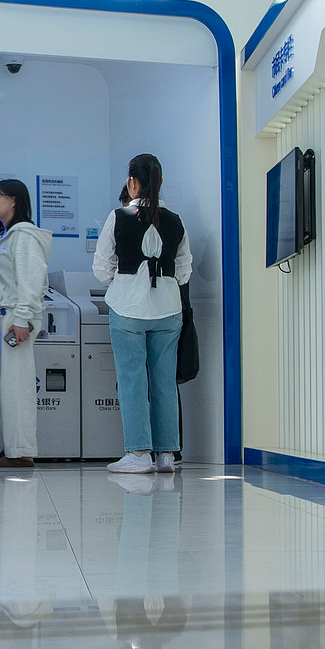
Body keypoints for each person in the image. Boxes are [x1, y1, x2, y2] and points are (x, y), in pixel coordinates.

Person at [93, 154, 192, 474]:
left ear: (132, 183)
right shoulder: (176, 219)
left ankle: (138, 453)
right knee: (164, 381)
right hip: (168, 310)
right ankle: (166, 455)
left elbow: (100, 269)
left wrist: (125, 280)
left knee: (132, 380)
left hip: (128, 309)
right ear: (160, 182)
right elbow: (184, 272)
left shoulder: (118, 216)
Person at [0, 179, 52, 469]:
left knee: (15, 385)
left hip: (14, 320)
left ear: (15, 201)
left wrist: (22, 320)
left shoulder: (25, 236)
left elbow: (33, 282)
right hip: (2, 318)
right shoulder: (10, 237)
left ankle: (20, 451)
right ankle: (5, 445)